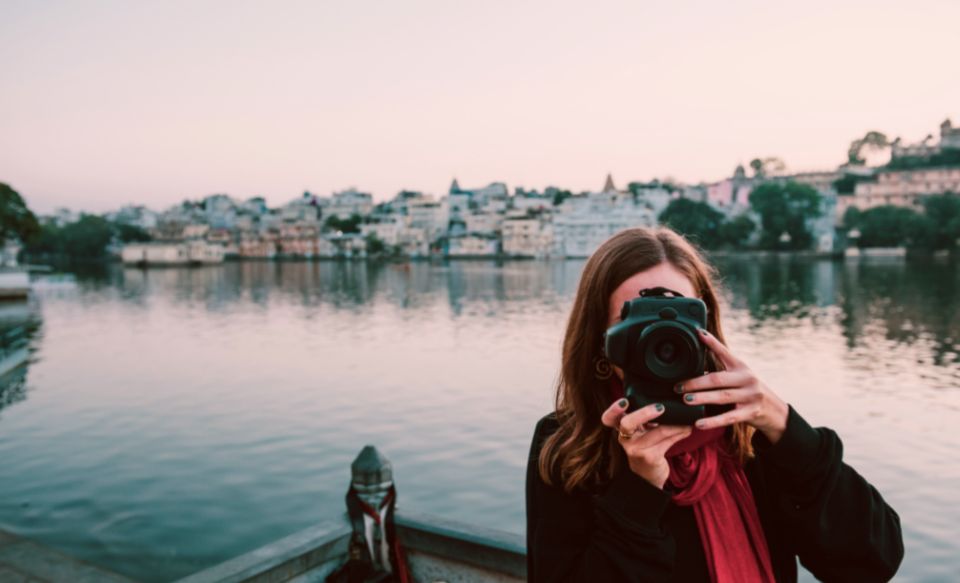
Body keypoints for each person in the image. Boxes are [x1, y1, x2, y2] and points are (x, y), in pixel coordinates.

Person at [525, 227, 903, 582]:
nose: (660, 336)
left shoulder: (749, 434)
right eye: (637, 321)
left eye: (676, 319)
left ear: (706, 330)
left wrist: (787, 429)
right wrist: (637, 491)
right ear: (601, 342)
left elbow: (871, 564)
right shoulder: (568, 446)